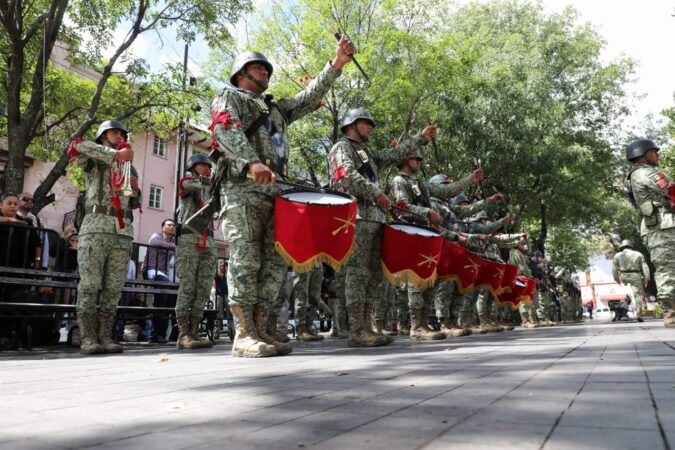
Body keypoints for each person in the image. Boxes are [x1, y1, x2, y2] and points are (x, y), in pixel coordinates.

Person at [210, 37, 355, 357]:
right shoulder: (230, 96)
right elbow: (224, 128)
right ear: (240, 73)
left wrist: (337, 64)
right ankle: (243, 332)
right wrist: (251, 161)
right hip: (243, 192)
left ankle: (262, 326)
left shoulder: (275, 109)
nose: (264, 72)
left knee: (274, 264)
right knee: (246, 260)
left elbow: (308, 97)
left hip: (278, 195)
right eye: (257, 67)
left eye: (266, 69)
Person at [329, 107, 437, 347]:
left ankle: (367, 326)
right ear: (352, 124)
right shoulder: (342, 147)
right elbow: (345, 175)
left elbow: (394, 154)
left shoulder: (365, 151)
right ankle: (356, 329)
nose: (371, 128)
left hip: (375, 217)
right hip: (356, 216)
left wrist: (421, 137)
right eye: (367, 123)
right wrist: (375, 192)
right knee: (357, 273)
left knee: (373, 274)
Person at [389, 149, 485, 340]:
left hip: (429, 236)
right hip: (413, 234)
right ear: (404, 161)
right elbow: (400, 207)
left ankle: (424, 323)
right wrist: (426, 212)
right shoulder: (399, 181)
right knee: (417, 280)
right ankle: (416, 326)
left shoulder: (420, 184)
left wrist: (470, 180)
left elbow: (447, 191)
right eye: (415, 158)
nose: (419, 161)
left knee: (430, 280)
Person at [68, 119, 142, 354]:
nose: (119, 136)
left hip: (122, 231)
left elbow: (134, 200)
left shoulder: (130, 165)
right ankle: (87, 335)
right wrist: (114, 155)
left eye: (122, 133)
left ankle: (106, 334)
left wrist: (136, 188)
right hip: (95, 228)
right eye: (114, 132)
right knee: (90, 285)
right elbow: (76, 146)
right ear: (103, 137)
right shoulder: (95, 157)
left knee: (113, 287)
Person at [625, 138, 675, 328]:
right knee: (668, 268)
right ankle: (671, 312)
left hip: (662, 225)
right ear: (642, 155)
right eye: (654, 152)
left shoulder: (636, 175)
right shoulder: (646, 173)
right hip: (663, 227)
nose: (658, 155)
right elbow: (669, 189)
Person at [174, 153, 218, 350]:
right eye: (202, 166)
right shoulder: (187, 182)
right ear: (193, 168)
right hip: (189, 237)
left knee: (203, 289)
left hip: (208, 239)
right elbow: (191, 186)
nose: (207, 169)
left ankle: (195, 330)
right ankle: (183, 333)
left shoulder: (211, 188)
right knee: (188, 286)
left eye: (208, 166)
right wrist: (211, 182)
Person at [142, 218, 177, 343]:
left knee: (168, 301)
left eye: (173, 225)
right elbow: (155, 243)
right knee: (164, 291)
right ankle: (154, 333)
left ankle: (160, 334)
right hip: (151, 270)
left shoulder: (173, 241)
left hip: (164, 274)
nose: (171, 227)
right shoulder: (156, 236)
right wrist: (175, 247)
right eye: (169, 225)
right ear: (162, 227)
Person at [611, 240, 650, 322]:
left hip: (624, 275)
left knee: (627, 292)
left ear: (622, 246)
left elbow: (614, 269)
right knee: (638, 295)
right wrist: (646, 278)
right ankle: (638, 313)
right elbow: (645, 267)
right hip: (635, 275)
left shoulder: (617, 255)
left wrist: (616, 279)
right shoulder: (638, 254)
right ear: (631, 246)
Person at [16, 192, 49, 269]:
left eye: (32, 200)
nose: (30, 202)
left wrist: (40, 262)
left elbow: (41, 243)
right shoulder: (9, 216)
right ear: (16, 201)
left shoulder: (37, 221)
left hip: (28, 262)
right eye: (26, 199)